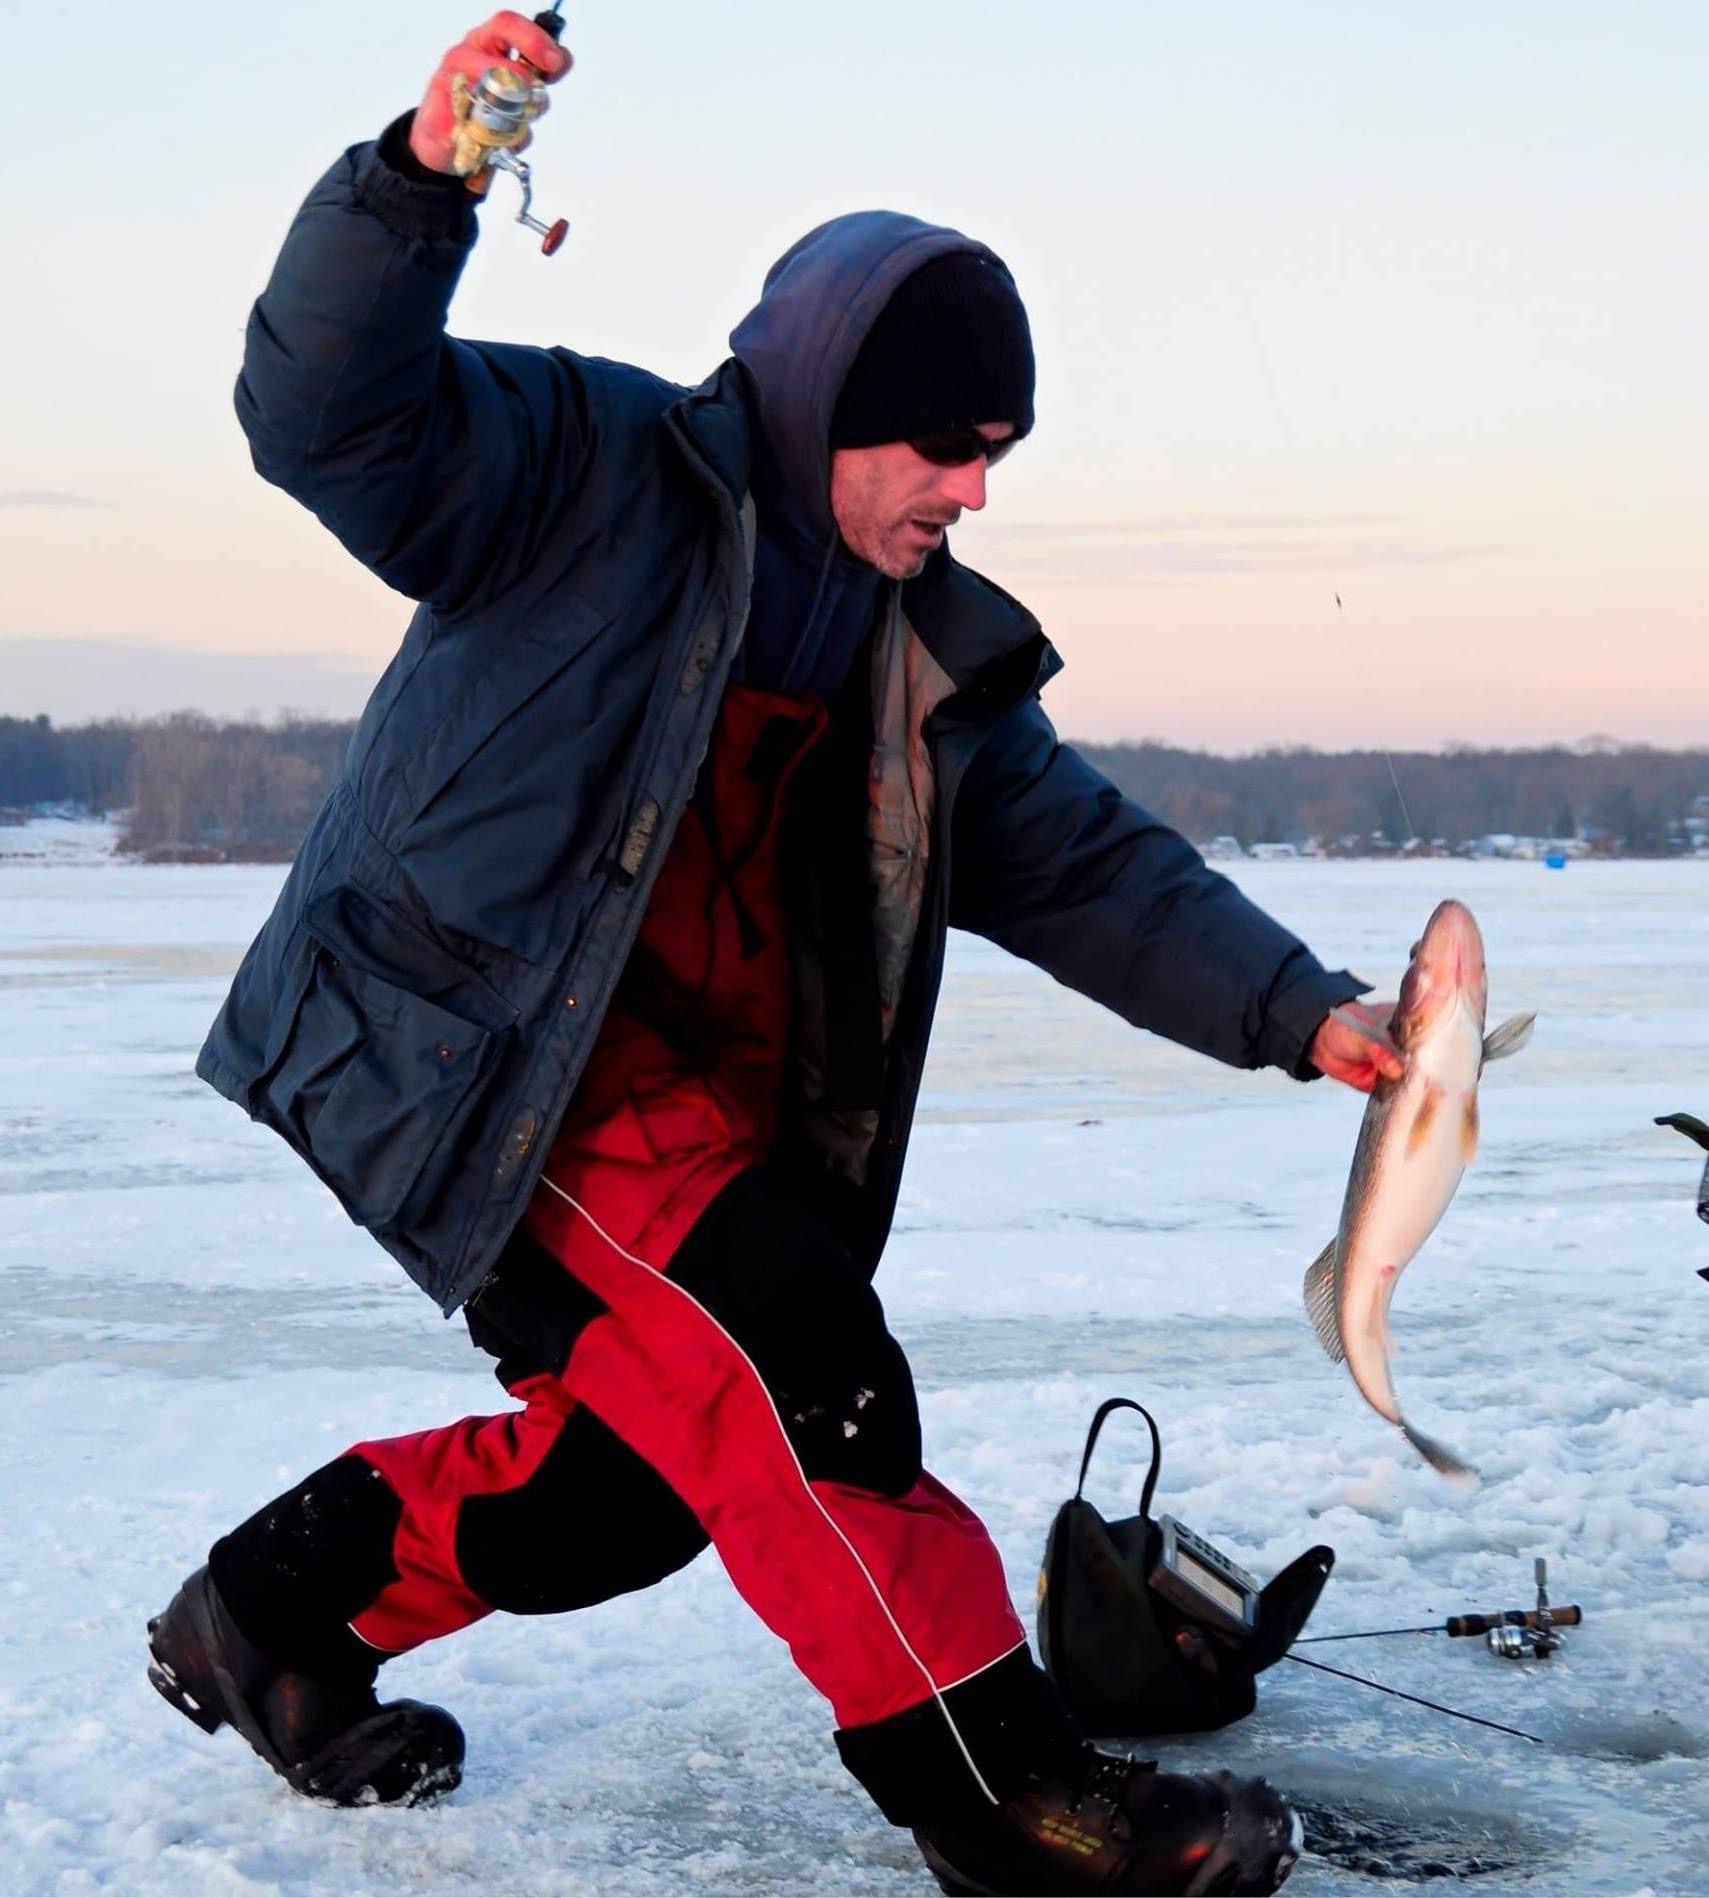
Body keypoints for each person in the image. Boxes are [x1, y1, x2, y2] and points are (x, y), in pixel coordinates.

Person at [145, 14, 1403, 1894]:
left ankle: (271, 1614)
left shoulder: (922, 655)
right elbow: (328, 415)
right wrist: (420, 182)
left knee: (624, 1490)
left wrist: (1304, 1010)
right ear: (828, 406)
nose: (974, 488)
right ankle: (1006, 1798)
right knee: (800, 1364)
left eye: (999, 452)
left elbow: (1083, 863)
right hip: (482, 1047)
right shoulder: (583, 470)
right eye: (945, 445)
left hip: (684, 1095)